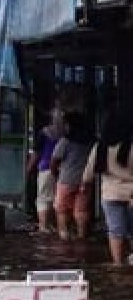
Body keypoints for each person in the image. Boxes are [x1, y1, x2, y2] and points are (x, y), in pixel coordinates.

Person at [86, 113, 133, 264]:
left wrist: (83, 185)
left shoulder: (100, 147)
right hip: (131, 194)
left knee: (115, 231)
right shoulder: (130, 146)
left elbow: (89, 173)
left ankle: (118, 264)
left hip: (111, 194)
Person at [51, 112, 95, 241]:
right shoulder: (91, 141)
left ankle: (64, 236)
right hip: (85, 180)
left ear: (69, 125)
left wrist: (56, 175)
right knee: (81, 210)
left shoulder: (65, 141)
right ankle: (82, 237)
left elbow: (54, 161)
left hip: (66, 180)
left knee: (62, 210)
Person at [28, 113, 61, 232]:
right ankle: (52, 225)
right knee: (54, 198)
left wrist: (29, 168)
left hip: (46, 168)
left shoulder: (44, 133)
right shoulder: (65, 134)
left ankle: (43, 226)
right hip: (62, 170)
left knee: (42, 198)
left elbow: (36, 153)